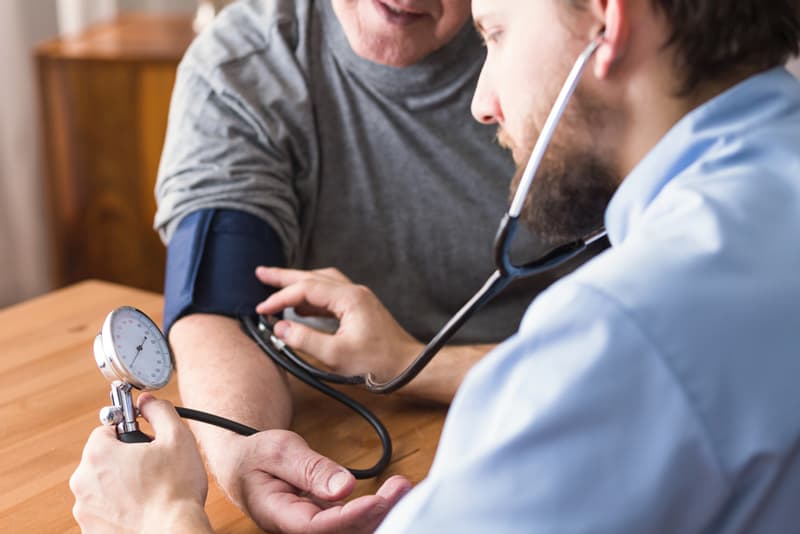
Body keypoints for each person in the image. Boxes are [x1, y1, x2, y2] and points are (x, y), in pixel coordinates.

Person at [71, 0, 800, 532]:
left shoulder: (610, 347)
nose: (485, 105)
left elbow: (619, 373)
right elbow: (216, 300)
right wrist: (245, 451)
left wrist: (159, 518)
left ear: (607, 24)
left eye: (497, 31)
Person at [152, 0, 600, 531]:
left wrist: (409, 365)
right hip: (358, 429)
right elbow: (219, 305)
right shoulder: (244, 63)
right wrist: (248, 454)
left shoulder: (563, 41)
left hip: (575, 419)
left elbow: (642, 345)